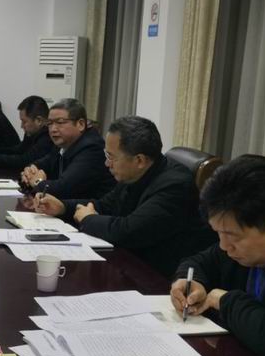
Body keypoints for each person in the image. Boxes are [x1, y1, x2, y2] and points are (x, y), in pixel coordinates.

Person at [171, 155, 265, 356]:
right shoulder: (244, 234)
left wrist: (223, 300)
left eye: (230, 236)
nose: (223, 246)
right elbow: (200, 261)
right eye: (218, 233)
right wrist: (190, 281)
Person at [34, 116, 214, 276]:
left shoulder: (175, 186)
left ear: (139, 160)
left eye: (111, 157)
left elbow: (128, 231)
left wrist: (88, 219)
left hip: (160, 277)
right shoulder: (134, 174)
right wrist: (63, 207)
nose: (107, 164)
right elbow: (105, 205)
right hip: (132, 263)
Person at [20, 98, 115, 199]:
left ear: (81, 124)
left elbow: (63, 189)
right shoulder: (62, 144)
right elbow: (39, 164)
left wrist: (36, 182)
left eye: (60, 122)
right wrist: (29, 172)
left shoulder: (92, 148)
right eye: (50, 123)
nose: (53, 129)